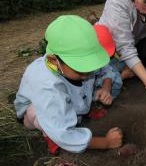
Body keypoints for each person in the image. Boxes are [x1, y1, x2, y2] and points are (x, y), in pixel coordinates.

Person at [14, 15, 123, 154]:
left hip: (67, 99)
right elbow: (63, 134)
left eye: (90, 65)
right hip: (35, 115)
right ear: (55, 60)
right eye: (81, 68)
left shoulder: (75, 68)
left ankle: (81, 112)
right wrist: (106, 143)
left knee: (85, 81)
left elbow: (105, 69)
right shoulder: (47, 84)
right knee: (37, 113)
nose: (87, 73)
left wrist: (106, 87)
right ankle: (51, 138)